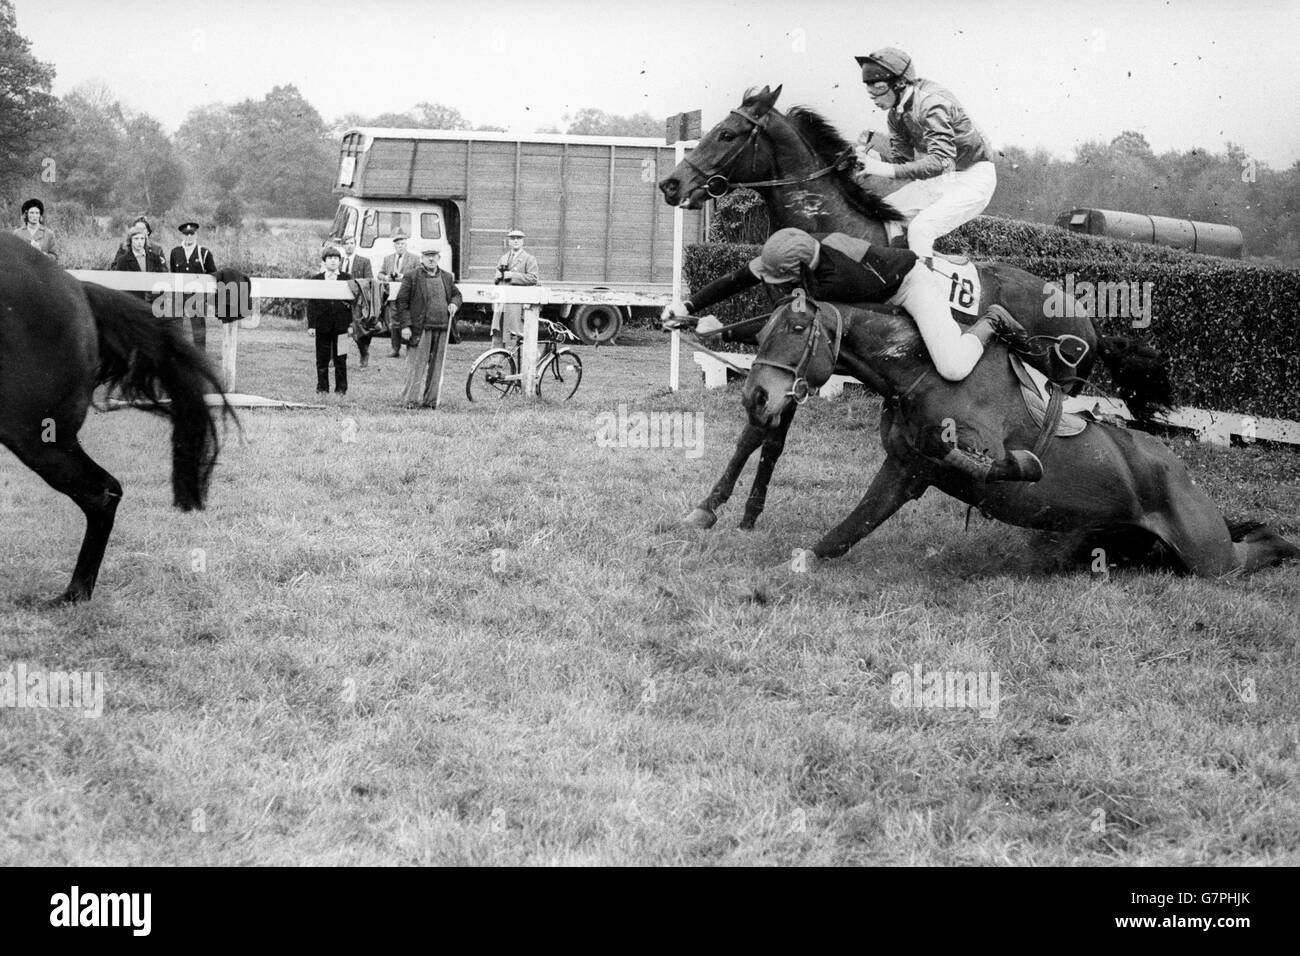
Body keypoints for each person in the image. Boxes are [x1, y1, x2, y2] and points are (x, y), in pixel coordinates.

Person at [854, 48, 996, 257]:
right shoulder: (895, 115)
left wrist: (882, 168)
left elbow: (941, 161)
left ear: (899, 83)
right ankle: (899, 261)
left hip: (974, 177)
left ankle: (923, 285)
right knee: (884, 212)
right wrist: (877, 160)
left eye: (879, 88)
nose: (874, 97)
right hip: (946, 177)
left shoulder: (932, 102)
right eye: (870, 91)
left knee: (921, 229)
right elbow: (902, 161)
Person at [396, 248, 462, 407]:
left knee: (437, 367)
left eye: (434, 256)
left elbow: (457, 295)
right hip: (421, 328)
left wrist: (454, 303)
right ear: (422, 259)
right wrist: (406, 325)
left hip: (442, 327)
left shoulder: (446, 276)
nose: (431, 259)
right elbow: (401, 302)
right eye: (427, 257)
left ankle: (431, 401)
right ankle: (410, 401)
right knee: (415, 366)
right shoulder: (412, 276)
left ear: (439, 258)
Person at [306, 247, 353, 395]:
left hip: (342, 326)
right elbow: (311, 304)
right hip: (322, 326)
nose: (333, 261)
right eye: (330, 258)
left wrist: (351, 325)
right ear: (324, 261)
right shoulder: (316, 279)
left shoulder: (347, 278)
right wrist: (312, 325)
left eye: (336, 258)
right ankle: (322, 388)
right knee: (322, 359)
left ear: (340, 261)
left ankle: (341, 389)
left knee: (341, 359)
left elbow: (353, 304)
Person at [169, 221, 217, 350]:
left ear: (196, 235)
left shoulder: (204, 253)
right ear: (182, 236)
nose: (189, 236)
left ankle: (200, 354)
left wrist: (206, 296)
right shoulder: (175, 252)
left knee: (198, 328)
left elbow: (212, 275)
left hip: (197, 296)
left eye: (191, 233)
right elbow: (173, 274)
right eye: (186, 234)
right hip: (179, 295)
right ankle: (177, 353)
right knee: (177, 327)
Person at [490, 228, 540, 348]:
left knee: (518, 333)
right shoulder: (504, 258)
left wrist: (513, 276)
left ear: (523, 242)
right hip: (502, 300)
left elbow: (533, 278)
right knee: (498, 329)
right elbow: (497, 277)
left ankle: (532, 360)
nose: (515, 241)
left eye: (518, 238)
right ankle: (495, 360)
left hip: (516, 303)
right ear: (509, 242)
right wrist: (497, 277)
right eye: (512, 239)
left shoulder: (529, 259)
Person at [379, 231, 420, 357]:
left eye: (402, 244)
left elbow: (419, 273)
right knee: (394, 321)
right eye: (397, 244)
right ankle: (395, 348)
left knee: (408, 320)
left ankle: (410, 347)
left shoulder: (414, 259)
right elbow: (379, 273)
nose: (400, 246)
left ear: (406, 245)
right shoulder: (388, 259)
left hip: (408, 295)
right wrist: (386, 277)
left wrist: (404, 276)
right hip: (392, 294)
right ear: (394, 246)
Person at [338, 237, 377, 367]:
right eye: (346, 244)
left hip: (358, 302)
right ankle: (339, 357)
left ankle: (364, 354)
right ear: (343, 246)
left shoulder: (364, 261)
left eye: (352, 243)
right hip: (341, 301)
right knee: (340, 329)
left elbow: (369, 281)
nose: (349, 246)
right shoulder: (338, 261)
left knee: (359, 331)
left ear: (355, 245)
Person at [111, 222, 169, 304]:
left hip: (153, 304)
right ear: (130, 240)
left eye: (142, 239)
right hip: (132, 303)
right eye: (136, 239)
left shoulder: (155, 258)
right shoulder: (122, 261)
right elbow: (119, 285)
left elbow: (161, 282)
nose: (139, 242)